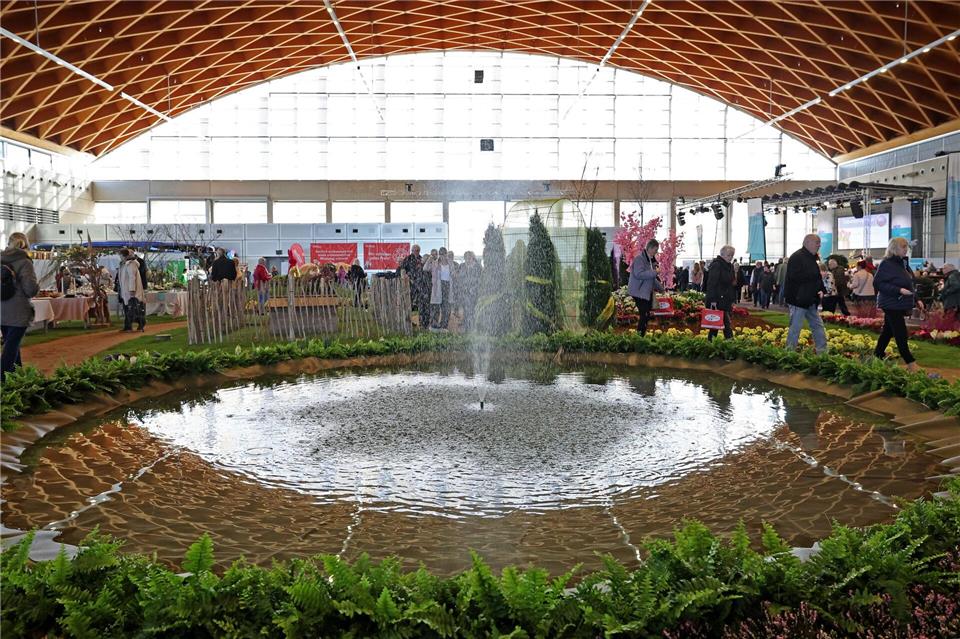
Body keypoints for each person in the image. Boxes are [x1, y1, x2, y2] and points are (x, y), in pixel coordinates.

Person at [873, 237, 921, 371]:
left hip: (899, 303)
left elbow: (909, 284)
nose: (906, 249)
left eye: (906, 246)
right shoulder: (886, 263)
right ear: (894, 248)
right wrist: (898, 290)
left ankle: (877, 355)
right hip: (890, 303)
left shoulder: (903, 263)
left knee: (888, 331)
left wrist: (917, 299)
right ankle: (910, 362)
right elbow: (878, 283)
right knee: (900, 332)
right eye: (903, 246)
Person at [1, 232, 39, 380]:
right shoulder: (25, 261)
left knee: (12, 345)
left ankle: (18, 378)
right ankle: (2, 379)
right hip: (18, 310)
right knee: (11, 347)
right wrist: (38, 286)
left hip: (1, 309)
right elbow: (30, 290)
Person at [784, 234, 828, 354]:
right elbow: (795, 277)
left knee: (817, 326)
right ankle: (789, 353)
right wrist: (817, 276)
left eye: (819, 242)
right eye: (817, 242)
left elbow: (815, 278)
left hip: (809, 299)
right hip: (798, 300)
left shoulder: (811, 257)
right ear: (807, 242)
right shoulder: (797, 257)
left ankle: (823, 352)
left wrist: (822, 289)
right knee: (795, 328)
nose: (819, 245)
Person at [627, 238, 664, 337]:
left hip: (643, 293)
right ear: (650, 248)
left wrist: (661, 289)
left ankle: (640, 337)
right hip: (638, 292)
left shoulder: (649, 261)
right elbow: (639, 274)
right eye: (655, 250)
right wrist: (655, 272)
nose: (656, 252)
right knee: (644, 315)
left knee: (646, 315)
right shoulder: (640, 259)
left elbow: (651, 278)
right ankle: (639, 338)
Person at [704, 245, 737, 340]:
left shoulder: (729, 266)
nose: (730, 257)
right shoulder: (717, 265)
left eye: (732, 255)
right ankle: (730, 342)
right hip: (718, 299)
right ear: (722, 254)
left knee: (716, 325)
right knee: (725, 324)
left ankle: (711, 343)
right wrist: (713, 300)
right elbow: (711, 284)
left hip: (725, 299)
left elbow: (730, 282)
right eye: (729, 255)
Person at [398, 244, 429, 327]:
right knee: (409, 305)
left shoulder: (421, 259)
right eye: (414, 250)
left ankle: (423, 324)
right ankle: (407, 324)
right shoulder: (407, 259)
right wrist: (404, 277)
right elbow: (402, 269)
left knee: (422, 305)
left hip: (420, 286)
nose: (416, 252)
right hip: (410, 286)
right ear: (412, 251)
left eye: (417, 250)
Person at [424, 247, 453, 329]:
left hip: (447, 286)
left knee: (446, 308)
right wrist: (430, 258)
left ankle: (444, 326)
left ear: (446, 254)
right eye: (441, 254)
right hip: (438, 287)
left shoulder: (450, 263)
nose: (443, 256)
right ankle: (434, 325)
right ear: (439, 255)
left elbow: (453, 274)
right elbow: (425, 268)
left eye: (444, 254)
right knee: (436, 307)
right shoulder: (435, 263)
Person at [118, 249, 145, 332]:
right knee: (127, 308)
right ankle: (127, 326)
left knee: (135, 308)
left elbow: (132, 278)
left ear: (125, 256)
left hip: (131, 291)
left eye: (121, 255)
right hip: (125, 290)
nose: (120, 257)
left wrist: (132, 290)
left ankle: (140, 324)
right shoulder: (124, 264)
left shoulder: (131, 264)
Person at [458, 251, 482, 331]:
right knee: (466, 311)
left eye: (469, 258)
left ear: (473, 258)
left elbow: (480, 280)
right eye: (465, 258)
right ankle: (467, 328)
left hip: (474, 293)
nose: (467, 260)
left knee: (473, 311)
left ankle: (474, 328)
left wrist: (473, 289)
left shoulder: (478, 267)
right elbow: (460, 279)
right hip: (464, 293)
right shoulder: (462, 266)